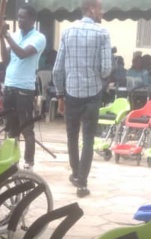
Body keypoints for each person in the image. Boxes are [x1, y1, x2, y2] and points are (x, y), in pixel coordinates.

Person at [53, 0, 112, 198]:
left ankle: (75, 172)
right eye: (100, 9)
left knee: (72, 135)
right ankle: (82, 181)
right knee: (88, 138)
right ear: (92, 9)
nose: (102, 13)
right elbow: (106, 69)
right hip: (93, 93)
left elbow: (57, 69)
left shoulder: (67, 32)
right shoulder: (102, 33)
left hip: (71, 92)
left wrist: (60, 94)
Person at [0, 4, 46, 171]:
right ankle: (12, 161)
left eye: (23, 17)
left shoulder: (39, 38)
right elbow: (5, 59)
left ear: (33, 19)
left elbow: (22, 53)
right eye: (18, 16)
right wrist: (0, 37)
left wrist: (5, 35)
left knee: (26, 128)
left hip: (24, 89)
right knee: (11, 128)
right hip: (10, 85)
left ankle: (29, 163)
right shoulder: (14, 35)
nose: (19, 20)